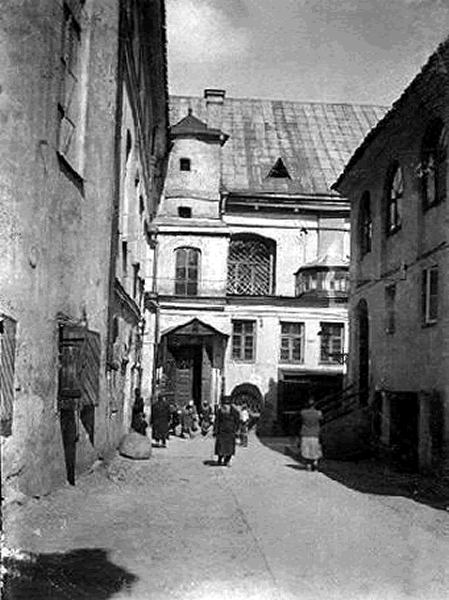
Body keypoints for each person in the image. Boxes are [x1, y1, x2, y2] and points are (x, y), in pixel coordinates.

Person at [213, 398, 240, 466]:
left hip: (230, 433)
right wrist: (215, 430)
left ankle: (227, 460)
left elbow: (237, 422)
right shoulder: (220, 411)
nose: (225, 406)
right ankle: (220, 459)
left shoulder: (235, 412)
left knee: (229, 449)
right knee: (220, 448)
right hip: (221, 432)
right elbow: (217, 421)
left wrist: (237, 430)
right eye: (224, 404)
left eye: (227, 404)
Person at [299, 397, 323, 471]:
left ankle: (308, 465)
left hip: (305, 433)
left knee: (306, 450)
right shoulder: (318, 413)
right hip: (315, 434)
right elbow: (321, 419)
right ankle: (315, 463)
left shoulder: (303, 412)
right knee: (315, 450)